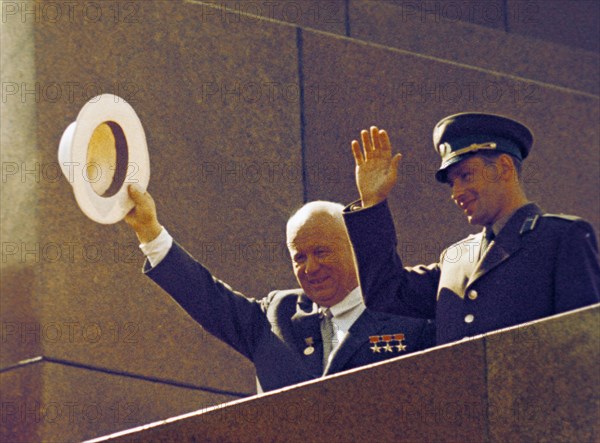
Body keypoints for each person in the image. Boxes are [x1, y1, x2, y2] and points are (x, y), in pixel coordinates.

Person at [125, 185, 435, 393]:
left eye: (322, 252)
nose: (310, 267)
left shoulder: (409, 316)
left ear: (354, 248)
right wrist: (149, 231)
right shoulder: (277, 315)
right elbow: (206, 297)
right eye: (299, 257)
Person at [343, 112, 600, 345]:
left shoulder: (561, 238)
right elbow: (387, 293)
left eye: (465, 176)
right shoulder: (456, 259)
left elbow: (583, 346)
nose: (456, 193)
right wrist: (373, 201)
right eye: (452, 183)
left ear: (504, 167)